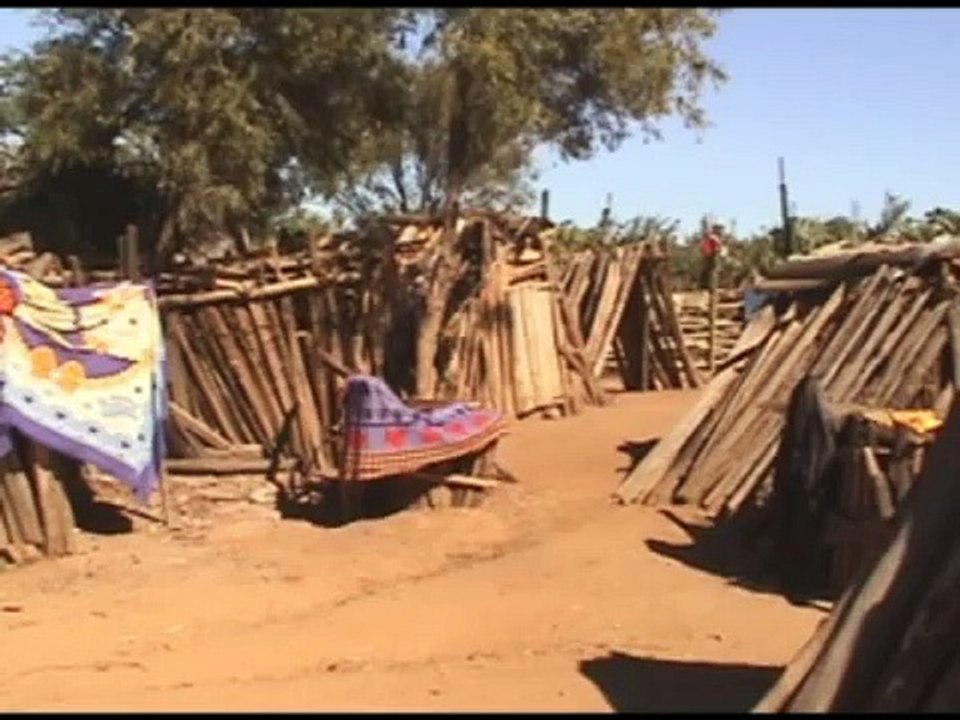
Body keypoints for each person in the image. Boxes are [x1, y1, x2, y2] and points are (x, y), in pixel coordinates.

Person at [699, 223, 724, 289]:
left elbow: (701, 247)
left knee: (707, 271)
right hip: (713, 256)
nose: (720, 231)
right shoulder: (714, 237)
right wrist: (718, 251)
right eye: (719, 229)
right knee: (714, 272)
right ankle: (712, 287)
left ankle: (704, 285)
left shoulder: (708, 237)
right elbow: (717, 248)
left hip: (707, 255)